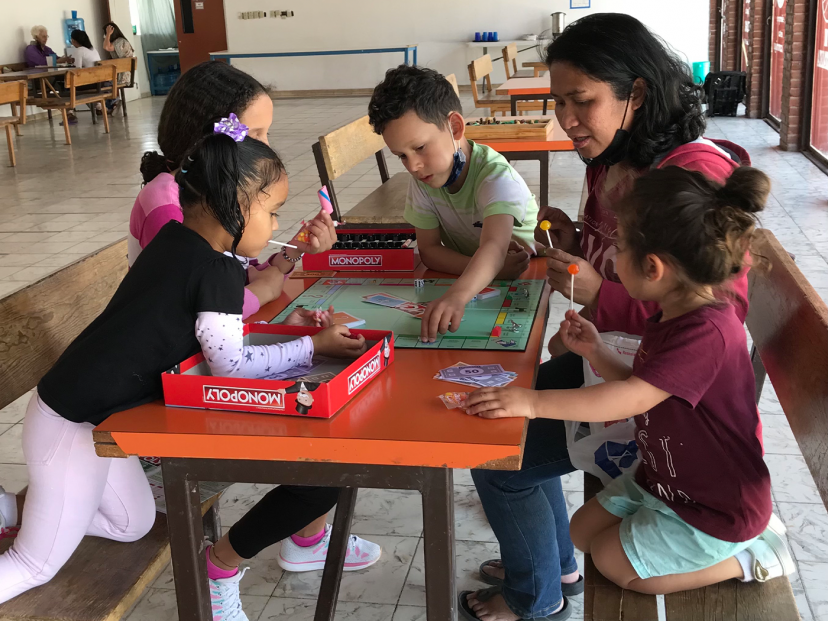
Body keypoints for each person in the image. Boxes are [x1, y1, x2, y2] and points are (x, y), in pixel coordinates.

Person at [463, 13, 763, 621]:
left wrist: (597, 286)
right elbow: (623, 267)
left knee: (500, 454)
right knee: (505, 430)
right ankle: (548, 561)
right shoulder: (614, 154)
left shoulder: (689, 176)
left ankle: (536, 591)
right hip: (624, 362)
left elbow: (715, 305)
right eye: (559, 102)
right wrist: (576, 243)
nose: (566, 120)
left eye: (582, 101)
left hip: (668, 398)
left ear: (638, 94)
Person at [0, 131, 370, 612]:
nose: (277, 221)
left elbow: (215, 335)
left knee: (131, 525)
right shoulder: (214, 270)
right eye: (273, 210)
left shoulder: (181, 241)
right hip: (69, 424)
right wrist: (312, 345)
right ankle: (37, 522)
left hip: (94, 419)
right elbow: (231, 368)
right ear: (236, 206)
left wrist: (291, 329)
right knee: (36, 565)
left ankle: (16, 510)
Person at [465, 166, 795, 600]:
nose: (611, 257)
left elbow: (628, 399)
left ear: (654, 267)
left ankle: (752, 556)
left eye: (619, 246)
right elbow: (649, 387)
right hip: (664, 479)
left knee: (611, 563)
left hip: (716, 505)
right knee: (581, 535)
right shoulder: (674, 311)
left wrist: (530, 402)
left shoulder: (707, 332)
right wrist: (597, 352)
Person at [134, 61, 336, 320]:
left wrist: (294, 249)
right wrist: (263, 291)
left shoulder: (211, 188)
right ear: (212, 139)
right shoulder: (166, 204)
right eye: (255, 135)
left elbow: (239, 275)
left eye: (267, 134)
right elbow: (200, 311)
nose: (268, 149)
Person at [367, 65, 538, 344]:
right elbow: (430, 251)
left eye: (420, 147)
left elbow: (494, 247)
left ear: (455, 127)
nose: (413, 166)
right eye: (401, 156)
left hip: (527, 280)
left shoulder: (496, 177)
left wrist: (458, 295)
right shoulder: (424, 180)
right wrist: (490, 269)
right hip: (482, 280)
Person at [102, 22, 134, 115]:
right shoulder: (117, 42)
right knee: (103, 81)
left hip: (122, 76)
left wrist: (108, 34)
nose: (104, 36)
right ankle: (111, 104)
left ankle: (113, 102)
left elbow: (106, 47)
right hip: (120, 73)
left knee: (104, 83)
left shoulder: (120, 42)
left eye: (105, 33)